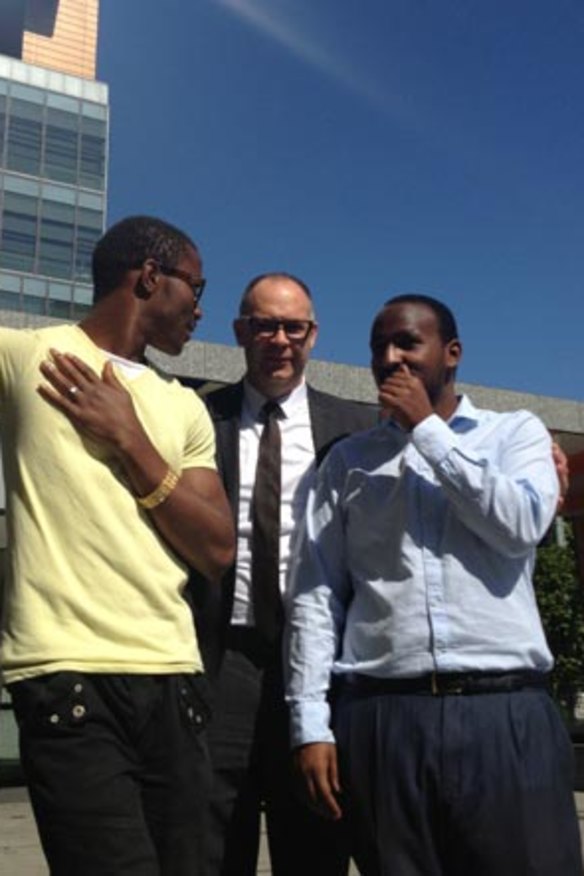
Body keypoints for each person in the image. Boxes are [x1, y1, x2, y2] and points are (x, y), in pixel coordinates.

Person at [285, 293, 582, 876]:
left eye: (407, 343)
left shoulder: (514, 435)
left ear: (452, 353)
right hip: (385, 715)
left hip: (504, 713)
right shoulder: (346, 463)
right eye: (378, 347)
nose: (390, 359)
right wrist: (310, 723)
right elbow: (317, 596)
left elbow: (521, 525)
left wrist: (427, 429)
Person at [0, 215, 235, 875]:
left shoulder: (182, 405)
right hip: (66, 675)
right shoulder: (28, 356)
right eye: (196, 288)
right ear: (151, 277)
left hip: (175, 676)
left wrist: (131, 440)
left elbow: (217, 549)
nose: (200, 309)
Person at [187, 273, 377, 876]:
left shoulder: (356, 428)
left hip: (321, 665)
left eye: (293, 327)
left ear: (313, 335)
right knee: (213, 840)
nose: (279, 340)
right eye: (264, 325)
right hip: (223, 658)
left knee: (317, 838)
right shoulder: (199, 417)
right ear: (240, 331)